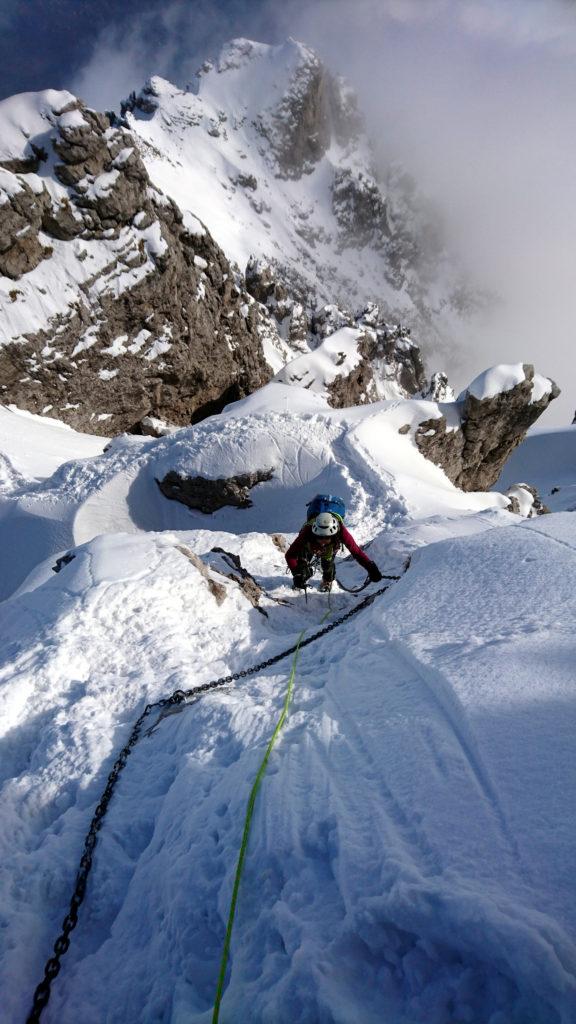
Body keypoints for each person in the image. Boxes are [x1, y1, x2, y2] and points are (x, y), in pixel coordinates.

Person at [285, 512, 383, 591]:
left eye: (326, 538)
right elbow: (290, 555)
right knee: (302, 564)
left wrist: (371, 568)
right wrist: (297, 574)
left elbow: (356, 552)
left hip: (329, 547)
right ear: (315, 532)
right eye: (320, 538)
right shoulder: (307, 532)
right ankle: (302, 579)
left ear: (333, 535)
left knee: (327, 564)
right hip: (310, 544)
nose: (323, 542)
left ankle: (327, 581)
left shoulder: (341, 532)